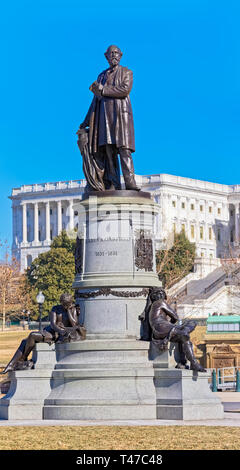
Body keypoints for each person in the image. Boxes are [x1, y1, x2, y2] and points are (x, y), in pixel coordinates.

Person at [77, 45, 139, 192]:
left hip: (121, 117)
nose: (114, 56)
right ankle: (114, 183)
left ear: (121, 55)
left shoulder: (127, 72)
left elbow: (124, 90)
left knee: (124, 150)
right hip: (104, 118)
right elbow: (95, 101)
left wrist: (103, 90)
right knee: (109, 152)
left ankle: (130, 183)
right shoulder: (101, 76)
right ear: (106, 56)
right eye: (111, 54)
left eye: (116, 53)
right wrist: (85, 122)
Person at [1, 293, 86, 374]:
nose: (65, 306)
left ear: (70, 303)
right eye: (63, 304)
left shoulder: (73, 310)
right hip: (52, 330)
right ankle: (11, 364)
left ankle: (20, 361)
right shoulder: (55, 308)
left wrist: (68, 311)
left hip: (56, 334)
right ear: (61, 302)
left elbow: (74, 324)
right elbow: (53, 324)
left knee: (32, 335)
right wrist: (61, 330)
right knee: (24, 341)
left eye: (67, 304)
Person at [141, 287, 206, 372]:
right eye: (160, 293)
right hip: (162, 326)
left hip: (158, 330)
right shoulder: (160, 303)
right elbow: (175, 317)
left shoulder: (152, 306)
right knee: (191, 323)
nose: (161, 295)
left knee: (183, 336)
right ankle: (193, 363)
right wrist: (172, 325)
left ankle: (186, 362)